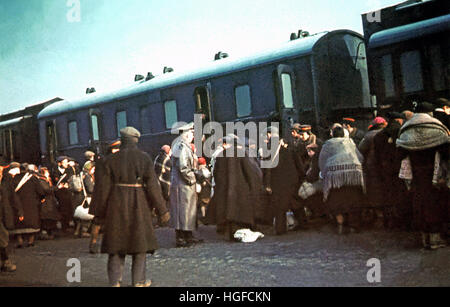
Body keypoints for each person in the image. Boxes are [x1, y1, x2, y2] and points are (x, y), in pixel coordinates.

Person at [93, 127, 170, 287]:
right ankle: (139, 282)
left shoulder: (110, 160)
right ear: (136, 140)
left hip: (116, 204)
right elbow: (153, 187)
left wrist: (98, 214)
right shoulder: (144, 158)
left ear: (122, 140)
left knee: (115, 246)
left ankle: (115, 282)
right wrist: (162, 210)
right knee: (139, 245)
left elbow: (102, 189)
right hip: (138, 204)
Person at [396, 102, 449, 250]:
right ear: (430, 113)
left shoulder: (406, 131)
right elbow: (446, 153)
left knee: (419, 205)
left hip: (416, 177)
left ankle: (423, 239)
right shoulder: (437, 129)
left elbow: (400, 154)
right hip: (435, 176)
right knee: (435, 206)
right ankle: (435, 239)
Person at [206, 136, 264, 241]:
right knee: (241, 216)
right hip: (242, 191)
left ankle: (232, 234)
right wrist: (255, 186)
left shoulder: (220, 155)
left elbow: (216, 174)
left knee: (230, 215)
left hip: (225, 192)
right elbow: (252, 172)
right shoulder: (242, 153)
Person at [319, 124, 365, 234]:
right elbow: (360, 157)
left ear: (332, 135)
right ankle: (354, 226)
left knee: (336, 201)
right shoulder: (350, 142)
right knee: (353, 200)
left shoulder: (327, 144)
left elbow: (322, 161)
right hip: (353, 174)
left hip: (334, 176)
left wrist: (324, 173)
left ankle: (340, 224)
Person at [261, 126, 305, 235]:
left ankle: (280, 229)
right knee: (295, 202)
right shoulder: (290, 150)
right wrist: (301, 178)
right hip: (292, 180)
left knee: (280, 207)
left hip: (277, 182)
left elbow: (266, 170)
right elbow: (299, 166)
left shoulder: (268, 153)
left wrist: (267, 184)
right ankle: (304, 224)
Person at [373, 112, 411, 230]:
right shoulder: (402, 132)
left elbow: (377, 156)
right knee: (403, 194)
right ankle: (405, 222)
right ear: (399, 120)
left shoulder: (378, 136)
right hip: (401, 168)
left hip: (385, 170)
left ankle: (390, 222)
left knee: (388, 195)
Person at [170, 122, 202, 247]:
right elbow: (183, 167)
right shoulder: (182, 146)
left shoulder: (180, 145)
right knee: (183, 210)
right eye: (192, 133)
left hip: (181, 183)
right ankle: (181, 237)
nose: (193, 135)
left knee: (185, 210)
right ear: (186, 133)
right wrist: (192, 180)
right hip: (183, 184)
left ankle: (188, 235)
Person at [88, 140, 120, 254]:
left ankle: (93, 243)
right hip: (107, 195)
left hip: (100, 195)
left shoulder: (102, 161)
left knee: (98, 221)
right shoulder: (111, 162)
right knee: (102, 220)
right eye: (117, 149)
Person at [10, 163, 50, 247]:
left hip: (18, 205)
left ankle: (20, 240)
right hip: (32, 204)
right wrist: (41, 198)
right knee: (32, 224)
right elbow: (40, 191)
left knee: (19, 225)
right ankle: (30, 241)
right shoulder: (33, 178)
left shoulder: (13, 179)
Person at [358, 117, 387, 228]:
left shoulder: (369, 136)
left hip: (373, 167)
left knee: (375, 192)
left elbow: (361, 150)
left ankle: (379, 217)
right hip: (387, 166)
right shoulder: (388, 133)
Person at [0, 165, 18, 272]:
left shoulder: (7, 180)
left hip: (4, 213)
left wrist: (18, 209)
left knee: (4, 238)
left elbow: (12, 196)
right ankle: (5, 261)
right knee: (3, 238)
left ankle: (5, 261)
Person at [51, 156, 74, 233]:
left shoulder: (70, 169)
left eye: (67, 162)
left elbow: (72, 178)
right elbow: (54, 181)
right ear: (59, 163)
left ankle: (67, 224)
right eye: (64, 162)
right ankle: (63, 225)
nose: (66, 164)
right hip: (59, 193)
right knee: (61, 209)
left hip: (68, 192)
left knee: (69, 208)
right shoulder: (54, 171)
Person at [37, 167, 61, 240]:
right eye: (47, 172)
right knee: (46, 218)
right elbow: (46, 189)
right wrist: (57, 188)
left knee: (50, 217)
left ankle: (49, 232)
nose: (49, 174)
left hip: (50, 202)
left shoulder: (46, 180)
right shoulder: (41, 180)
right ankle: (46, 233)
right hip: (46, 203)